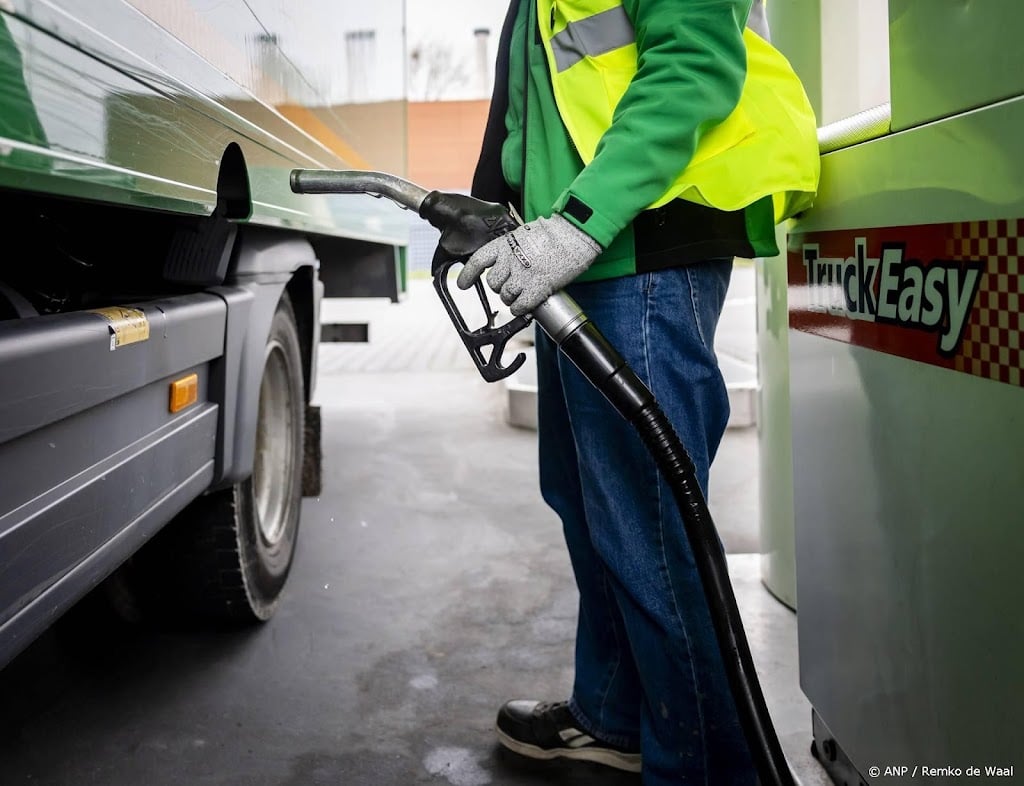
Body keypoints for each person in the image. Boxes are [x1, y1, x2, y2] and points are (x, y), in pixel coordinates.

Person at [454, 1, 819, 783]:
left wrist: (579, 222)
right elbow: (537, 101)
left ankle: (707, 767)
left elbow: (695, 67)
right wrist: (496, 213)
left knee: (650, 529)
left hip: (638, 243)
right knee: (592, 508)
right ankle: (616, 717)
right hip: (579, 251)